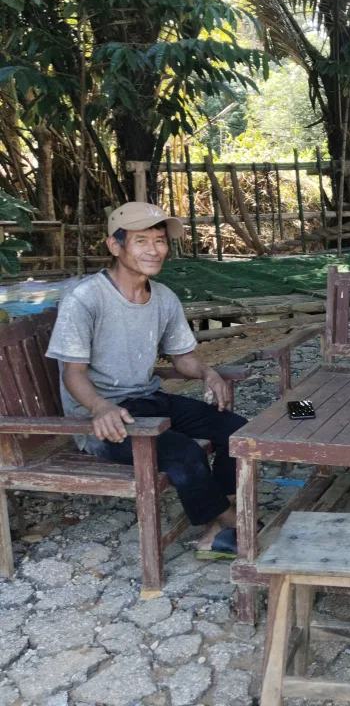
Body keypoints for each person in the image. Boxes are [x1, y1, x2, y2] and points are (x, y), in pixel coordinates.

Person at [46, 202, 247, 558]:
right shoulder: (85, 299)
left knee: (236, 431)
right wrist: (99, 408)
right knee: (184, 454)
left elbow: (182, 357)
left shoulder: (164, 297)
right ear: (115, 245)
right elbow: (72, 373)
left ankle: (220, 522)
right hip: (103, 420)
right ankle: (233, 522)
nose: (154, 250)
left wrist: (208, 372)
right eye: (141, 241)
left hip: (148, 400)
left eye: (160, 240)